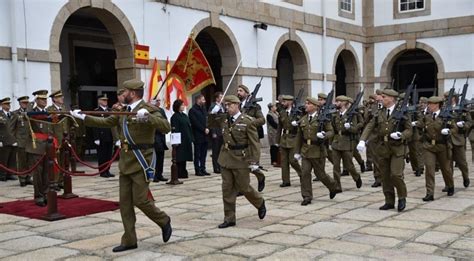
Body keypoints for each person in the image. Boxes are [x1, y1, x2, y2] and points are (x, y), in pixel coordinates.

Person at [71, 79, 172, 252]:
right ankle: (129, 240)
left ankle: (163, 220)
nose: (121, 94)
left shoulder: (150, 110)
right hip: (126, 162)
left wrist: (147, 117)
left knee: (141, 200)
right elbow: (106, 122)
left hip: (142, 161)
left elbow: (166, 127)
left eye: (124, 92)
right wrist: (82, 117)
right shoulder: (123, 111)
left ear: (132, 93)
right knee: (125, 204)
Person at [358, 89, 412, 212]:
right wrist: (362, 140)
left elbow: (409, 130)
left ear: (392, 98)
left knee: (396, 175)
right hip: (383, 147)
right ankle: (389, 201)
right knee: (385, 176)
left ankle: (402, 197)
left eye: (384, 96)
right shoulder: (379, 112)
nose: (381, 98)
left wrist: (401, 135)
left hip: (398, 148)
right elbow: (370, 126)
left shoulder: (402, 112)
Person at [217, 95, 266, 228]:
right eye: (226, 105)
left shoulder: (248, 121)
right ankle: (229, 218)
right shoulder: (224, 119)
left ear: (236, 105)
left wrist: (254, 161)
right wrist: (213, 112)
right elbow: (210, 123)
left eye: (229, 105)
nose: (227, 108)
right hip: (226, 157)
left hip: (241, 158)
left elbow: (254, 143)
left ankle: (259, 202)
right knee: (227, 189)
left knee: (244, 187)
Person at [294, 97, 340, 206]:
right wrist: (297, 151)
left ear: (315, 106)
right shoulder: (303, 119)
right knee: (305, 173)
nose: (306, 105)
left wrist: (324, 135)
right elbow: (299, 137)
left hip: (318, 151)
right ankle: (307, 196)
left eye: (308, 104)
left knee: (320, 174)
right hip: (306, 150)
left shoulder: (322, 118)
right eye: (306, 103)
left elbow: (331, 131)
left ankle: (333, 186)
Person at [414, 96, 457, 201]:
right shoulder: (427, 117)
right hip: (428, 146)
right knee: (429, 169)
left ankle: (450, 185)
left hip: (442, 146)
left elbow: (455, 128)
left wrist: (449, 131)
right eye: (428, 104)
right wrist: (413, 124)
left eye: (431, 104)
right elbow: (420, 124)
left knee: (446, 169)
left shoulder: (446, 116)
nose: (429, 106)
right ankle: (430, 193)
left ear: (437, 105)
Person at [25, 90, 52, 206]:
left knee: (46, 172)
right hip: (36, 147)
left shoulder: (47, 112)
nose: (44, 101)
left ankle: (45, 193)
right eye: (41, 99)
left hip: (48, 145)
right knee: (38, 173)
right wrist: (32, 102)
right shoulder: (33, 112)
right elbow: (27, 114)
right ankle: (39, 196)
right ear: (37, 100)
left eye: (45, 99)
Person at [331, 95, 363, 192]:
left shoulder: (352, 115)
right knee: (336, 166)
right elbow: (332, 129)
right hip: (336, 142)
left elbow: (357, 128)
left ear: (344, 103)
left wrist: (350, 127)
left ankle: (356, 177)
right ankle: (337, 186)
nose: (336, 103)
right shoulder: (335, 115)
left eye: (338, 101)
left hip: (347, 142)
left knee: (349, 165)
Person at [237, 84, 265, 191]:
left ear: (246, 93)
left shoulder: (255, 106)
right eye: (238, 91)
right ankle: (242, 189)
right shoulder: (238, 106)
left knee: (252, 166)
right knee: (241, 166)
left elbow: (262, 120)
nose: (238, 92)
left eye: (241, 91)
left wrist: (250, 122)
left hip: (251, 138)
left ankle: (260, 176)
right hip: (240, 138)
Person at [444, 92, 471, 188]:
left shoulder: (461, 109)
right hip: (447, 140)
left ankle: (466, 177)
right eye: (446, 97)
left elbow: (469, 122)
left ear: (454, 98)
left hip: (458, 139)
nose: (447, 99)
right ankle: (449, 184)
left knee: (462, 163)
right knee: (447, 164)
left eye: (448, 97)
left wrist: (463, 125)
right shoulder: (444, 109)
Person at [275, 95, 302, 187]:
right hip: (284, 138)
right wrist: (277, 140)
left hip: (294, 138)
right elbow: (279, 127)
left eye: (284, 102)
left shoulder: (298, 112)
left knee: (292, 160)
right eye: (282, 102)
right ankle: (286, 180)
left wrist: (297, 123)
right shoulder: (282, 113)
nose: (282, 103)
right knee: (284, 161)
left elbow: (302, 124)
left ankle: (302, 175)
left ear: (290, 102)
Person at [93, 94, 115, 178]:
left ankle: (107, 170)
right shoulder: (96, 111)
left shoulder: (110, 111)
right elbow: (94, 125)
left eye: (106, 100)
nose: (105, 102)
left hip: (109, 136)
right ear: (99, 101)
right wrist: (96, 137)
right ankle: (102, 171)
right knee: (102, 155)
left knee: (109, 155)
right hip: (101, 137)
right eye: (103, 100)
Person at [12, 96, 33, 186]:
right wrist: (14, 140)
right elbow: (12, 128)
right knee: (22, 161)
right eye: (24, 103)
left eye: (27, 103)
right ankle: (22, 178)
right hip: (21, 140)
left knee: (29, 160)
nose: (25, 104)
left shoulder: (30, 113)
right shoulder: (15, 114)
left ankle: (28, 177)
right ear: (20, 103)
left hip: (30, 140)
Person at [170, 99, 193, 179]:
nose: (183, 106)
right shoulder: (175, 116)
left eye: (183, 105)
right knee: (180, 156)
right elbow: (175, 129)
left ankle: (183, 170)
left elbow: (189, 126)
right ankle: (179, 172)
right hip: (180, 139)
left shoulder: (184, 115)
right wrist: (176, 141)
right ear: (177, 106)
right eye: (182, 105)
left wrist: (191, 138)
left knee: (185, 156)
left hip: (186, 138)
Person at [189, 94, 210, 176]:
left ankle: (203, 168)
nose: (204, 101)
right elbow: (195, 122)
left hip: (205, 135)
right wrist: (203, 129)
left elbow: (207, 119)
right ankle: (197, 170)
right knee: (197, 154)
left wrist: (208, 128)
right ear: (198, 100)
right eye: (203, 99)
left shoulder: (204, 109)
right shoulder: (192, 110)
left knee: (204, 153)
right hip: (197, 135)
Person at [0, 97, 18, 182]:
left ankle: (10, 174)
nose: (8, 105)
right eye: (6, 104)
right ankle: (2, 175)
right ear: (1, 105)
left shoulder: (13, 115)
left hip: (13, 140)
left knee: (12, 158)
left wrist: (16, 139)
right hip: (3, 140)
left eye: (9, 104)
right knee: (3, 159)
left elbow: (16, 128)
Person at [151, 98, 168, 182]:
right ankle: (153, 175)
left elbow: (165, 121)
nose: (158, 102)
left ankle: (159, 174)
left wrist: (164, 128)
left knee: (161, 156)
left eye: (159, 100)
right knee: (154, 158)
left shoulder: (161, 110)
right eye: (156, 100)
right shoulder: (150, 111)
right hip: (154, 136)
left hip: (161, 136)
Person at [208, 92, 224, 174]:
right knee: (215, 151)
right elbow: (211, 119)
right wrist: (213, 132)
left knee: (221, 150)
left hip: (222, 131)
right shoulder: (213, 106)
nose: (222, 98)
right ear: (217, 98)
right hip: (216, 130)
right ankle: (216, 167)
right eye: (221, 97)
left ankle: (220, 166)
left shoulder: (223, 106)